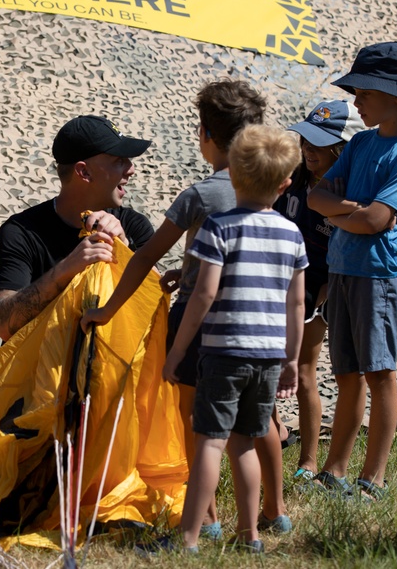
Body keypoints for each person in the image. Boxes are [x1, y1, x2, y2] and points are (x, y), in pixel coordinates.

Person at [81, 79, 267, 539]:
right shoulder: (267, 191)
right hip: (254, 324)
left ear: (206, 135)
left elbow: (144, 255)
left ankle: (205, 520)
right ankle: (267, 517)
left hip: (200, 324)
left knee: (196, 425)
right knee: (249, 432)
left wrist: (106, 311)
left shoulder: (201, 196)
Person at [164, 125, 306, 553]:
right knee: (245, 441)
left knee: (209, 441)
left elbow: (203, 293)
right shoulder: (291, 234)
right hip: (267, 357)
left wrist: (177, 351)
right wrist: (292, 360)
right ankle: (251, 536)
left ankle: (188, 538)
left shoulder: (219, 228)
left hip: (224, 352)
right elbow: (296, 305)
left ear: (234, 175)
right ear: (285, 184)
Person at [307, 42, 397, 501]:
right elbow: (318, 197)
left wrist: (354, 214)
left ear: (395, 97)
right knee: (346, 373)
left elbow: (377, 221)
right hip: (343, 268)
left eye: (364, 91)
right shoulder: (360, 143)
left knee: (380, 375)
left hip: (378, 275)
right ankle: (335, 471)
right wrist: (354, 213)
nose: (355, 100)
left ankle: (373, 479)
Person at [0, 115, 154, 342]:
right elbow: (4, 325)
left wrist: (125, 251)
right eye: (119, 160)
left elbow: (154, 310)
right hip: (42, 376)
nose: (131, 169)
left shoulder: (134, 227)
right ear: (84, 172)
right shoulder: (21, 232)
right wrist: (66, 268)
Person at [275, 100, 363, 483]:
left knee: (305, 370)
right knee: (270, 363)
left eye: (319, 142)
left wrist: (324, 293)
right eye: (305, 138)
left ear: (341, 148)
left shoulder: (346, 190)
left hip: (319, 286)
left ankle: (309, 461)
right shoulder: (292, 178)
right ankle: (277, 435)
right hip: (278, 278)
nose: (308, 148)